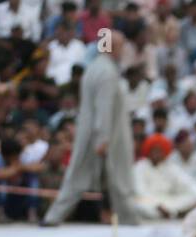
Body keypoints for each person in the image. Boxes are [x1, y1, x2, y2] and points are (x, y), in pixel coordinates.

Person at [41, 30, 139, 226]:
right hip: (107, 137)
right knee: (120, 181)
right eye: (119, 46)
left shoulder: (94, 68)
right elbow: (104, 107)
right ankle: (130, 220)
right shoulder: (107, 73)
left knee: (78, 178)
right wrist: (103, 138)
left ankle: (53, 217)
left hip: (92, 134)